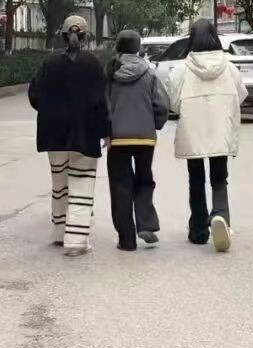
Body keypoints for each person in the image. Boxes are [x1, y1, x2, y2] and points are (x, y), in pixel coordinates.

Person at [28, 15, 111, 256]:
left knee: (59, 184)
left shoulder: (49, 63)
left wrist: (49, 112)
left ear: (63, 36)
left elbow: (34, 95)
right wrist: (106, 132)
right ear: (85, 37)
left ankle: (59, 232)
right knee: (82, 184)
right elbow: (101, 102)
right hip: (86, 133)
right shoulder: (93, 64)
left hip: (53, 134)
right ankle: (75, 240)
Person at [167, 18, 247, 252]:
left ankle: (199, 230)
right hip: (221, 129)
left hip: (193, 129)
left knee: (196, 179)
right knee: (219, 178)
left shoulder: (181, 70)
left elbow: (173, 103)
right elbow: (241, 95)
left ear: (192, 39)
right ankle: (221, 216)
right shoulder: (229, 68)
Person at [105, 30, 170, 251]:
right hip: (145, 138)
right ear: (138, 48)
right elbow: (161, 105)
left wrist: (105, 131)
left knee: (120, 186)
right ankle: (147, 224)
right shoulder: (149, 73)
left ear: (118, 48)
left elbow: (102, 105)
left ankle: (127, 240)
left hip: (118, 139)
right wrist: (155, 124)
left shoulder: (110, 73)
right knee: (144, 180)